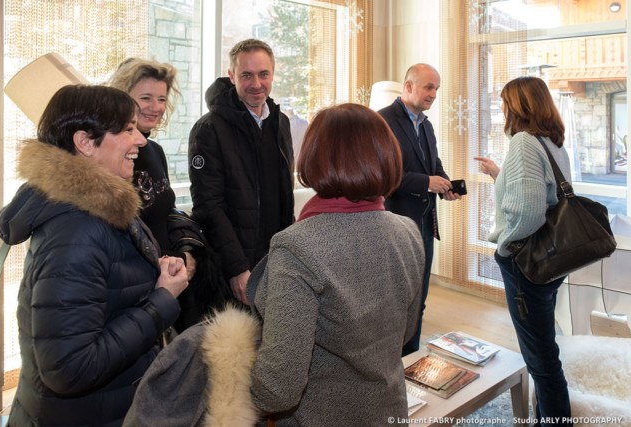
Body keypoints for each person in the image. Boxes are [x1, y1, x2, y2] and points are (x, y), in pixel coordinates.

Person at [122, 103, 425, 427]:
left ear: (316, 157)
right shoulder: (407, 232)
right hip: (387, 412)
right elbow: (403, 331)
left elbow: (277, 390)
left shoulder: (297, 247)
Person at [0, 84, 189, 426]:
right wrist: (161, 300)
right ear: (85, 142)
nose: (140, 140)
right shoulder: (78, 230)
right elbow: (69, 369)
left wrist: (152, 278)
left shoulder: (99, 210)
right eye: (127, 129)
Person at [475, 76, 573, 426]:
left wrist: (504, 246)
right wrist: (499, 174)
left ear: (518, 105)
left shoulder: (522, 142)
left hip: (526, 262)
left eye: (504, 102)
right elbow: (544, 196)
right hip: (552, 260)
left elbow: (529, 211)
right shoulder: (551, 142)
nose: (502, 109)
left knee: (542, 361)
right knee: (544, 349)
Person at [109, 58, 232, 332]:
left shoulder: (154, 152)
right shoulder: (110, 158)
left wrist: (184, 252)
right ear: (121, 98)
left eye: (162, 98)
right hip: (137, 290)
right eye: (145, 98)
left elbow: (166, 215)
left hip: (172, 280)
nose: (156, 107)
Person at [188, 38, 294, 305]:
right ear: (232, 75)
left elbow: (284, 195)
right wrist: (236, 268)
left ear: (273, 74)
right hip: (233, 269)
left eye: (263, 74)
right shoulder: (209, 129)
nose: (256, 84)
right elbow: (208, 206)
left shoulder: (280, 123)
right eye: (246, 75)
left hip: (274, 260)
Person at [378, 63, 461, 355]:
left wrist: (445, 183)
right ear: (409, 86)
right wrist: (427, 182)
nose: (434, 94)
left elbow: (433, 165)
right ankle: (389, 362)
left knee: (419, 299)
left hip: (426, 223)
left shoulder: (426, 124)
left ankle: (410, 358)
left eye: (437, 88)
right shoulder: (382, 122)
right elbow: (384, 175)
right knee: (396, 299)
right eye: (429, 87)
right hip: (396, 224)